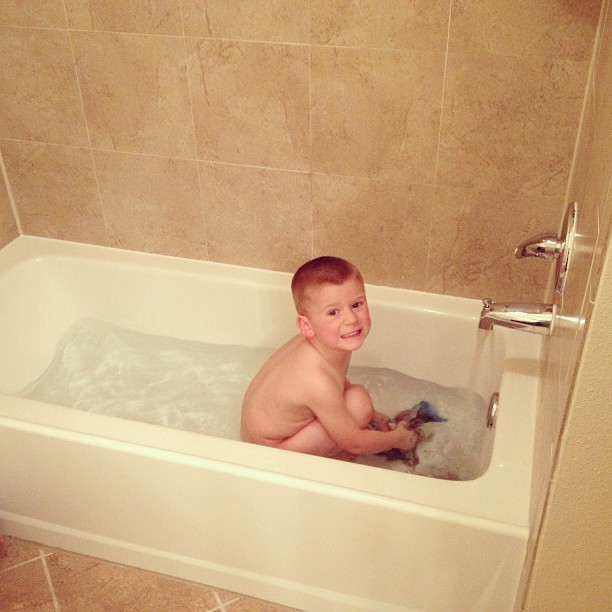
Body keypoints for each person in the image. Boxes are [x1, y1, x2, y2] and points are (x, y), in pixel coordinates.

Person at [241, 256, 418, 458]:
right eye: (333, 312)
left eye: (356, 305)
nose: (351, 319)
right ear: (307, 326)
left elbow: (335, 380)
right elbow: (355, 443)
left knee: (357, 397)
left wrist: (376, 416)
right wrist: (399, 439)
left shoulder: (323, 344)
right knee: (359, 404)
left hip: (268, 436)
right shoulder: (315, 380)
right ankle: (336, 459)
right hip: (269, 454)